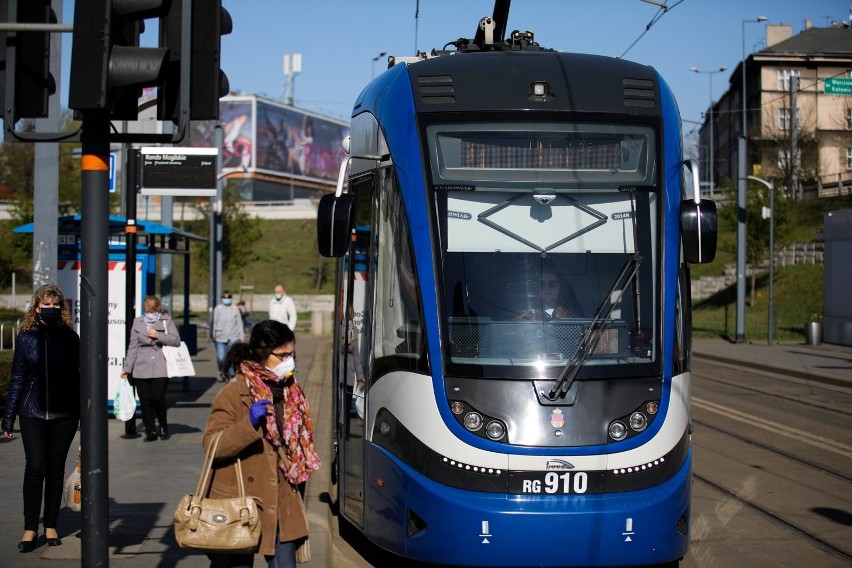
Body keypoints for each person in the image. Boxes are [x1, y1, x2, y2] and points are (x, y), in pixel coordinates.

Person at [203, 319, 320, 567]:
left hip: (281, 500)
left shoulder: (293, 391)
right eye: (283, 355)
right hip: (241, 502)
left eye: (292, 353)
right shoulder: (235, 393)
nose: (290, 360)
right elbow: (212, 444)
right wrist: (249, 424)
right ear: (263, 353)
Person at [2, 284, 80, 552]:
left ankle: (51, 525)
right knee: (35, 467)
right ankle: (29, 527)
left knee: (55, 469)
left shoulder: (70, 338)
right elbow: (18, 378)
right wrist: (8, 417)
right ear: (36, 308)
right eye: (46, 305)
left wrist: (82, 415)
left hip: (64, 413)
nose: (51, 310)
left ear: (62, 309)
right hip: (32, 410)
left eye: (55, 306)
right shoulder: (26, 337)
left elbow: (76, 379)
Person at [121, 295, 181, 442]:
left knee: (157, 397)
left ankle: (163, 425)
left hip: (161, 363)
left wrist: (158, 335)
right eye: (148, 310)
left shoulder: (166, 321)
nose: (150, 312)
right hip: (141, 366)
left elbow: (176, 340)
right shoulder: (138, 322)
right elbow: (133, 346)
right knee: (145, 399)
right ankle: (150, 431)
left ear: (158, 309)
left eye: (153, 310)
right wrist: (127, 368)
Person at [517, 268, 584, 321]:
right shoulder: (529, 311)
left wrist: (565, 320)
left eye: (552, 284)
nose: (547, 288)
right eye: (542, 284)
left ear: (560, 287)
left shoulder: (572, 313)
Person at [212, 290, 245, 382]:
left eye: (228, 298)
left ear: (231, 298)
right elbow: (214, 322)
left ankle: (229, 374)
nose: (226, 299)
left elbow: (239, 323)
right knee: (221, 357)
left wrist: (241, 336)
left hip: (233, 337)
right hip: (220, 336)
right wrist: (213, 332)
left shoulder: (235, 309)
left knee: (230, 357)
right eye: (225, 298)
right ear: (222, 298)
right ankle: (221, 370)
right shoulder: (218, 309)